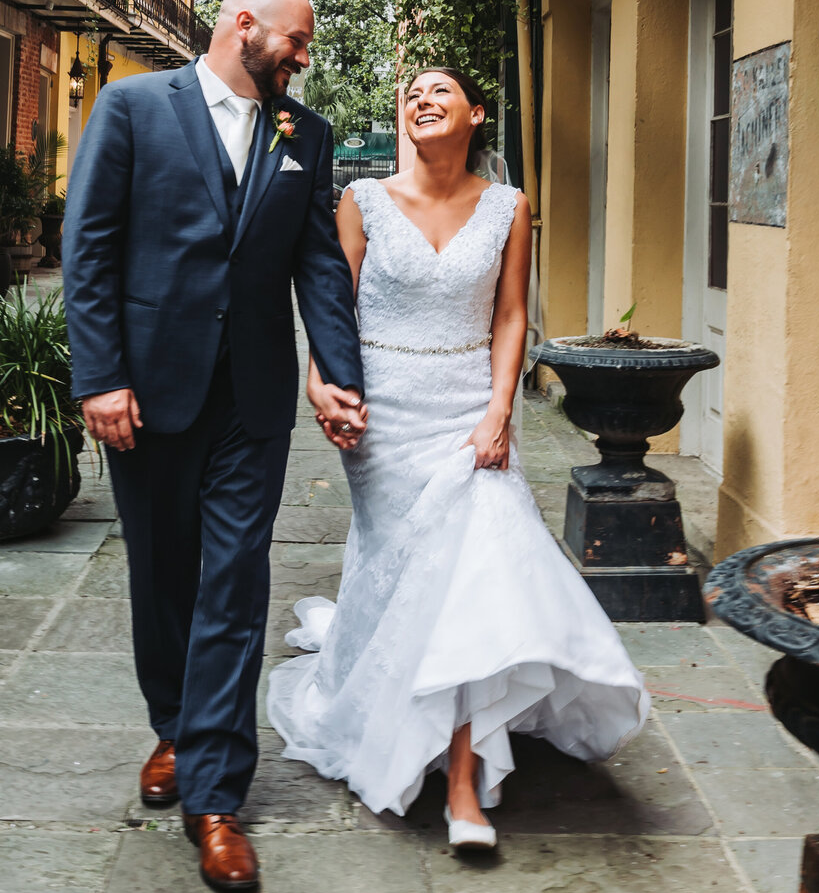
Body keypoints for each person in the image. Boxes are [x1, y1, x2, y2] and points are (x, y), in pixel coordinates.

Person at [267, 67, 649, 850]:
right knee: (399, 572)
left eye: (440, 89)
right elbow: (329, 306)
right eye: (410, 93)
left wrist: (499, 410)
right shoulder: (362, 200)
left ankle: (467, 781)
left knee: (480, 569)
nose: (421, 99)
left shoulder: (510, 207)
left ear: (477, 113)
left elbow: (511, 316)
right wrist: (321, 384)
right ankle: (385, 697)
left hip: (469, 412)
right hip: (383, 414)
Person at [63, 0, 365, 893]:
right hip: (149, 390)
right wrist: (100, 377)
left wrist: (339, 374)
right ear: (245, 26)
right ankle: (172, 726)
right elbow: (91, 247)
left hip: (254, 399)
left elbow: (317, 264)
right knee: (163, 572)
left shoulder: (303, 137)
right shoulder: (132, 108)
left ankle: (216, 797)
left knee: (235, 581)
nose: (303, 57)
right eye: (297, 40)